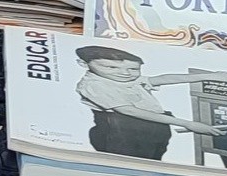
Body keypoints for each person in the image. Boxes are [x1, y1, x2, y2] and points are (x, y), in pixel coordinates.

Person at [71, 44, 217, 160]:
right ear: (83, 64)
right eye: (111, 67)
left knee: (153, 159)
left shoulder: (121, 78)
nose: (125, 73)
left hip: (153, 126)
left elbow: (161, 79)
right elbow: (128, 110)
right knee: (129, 165)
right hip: (122, 130)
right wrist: (187, 123)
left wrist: (209, 76)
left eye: (133, 69)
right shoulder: (94, 85)